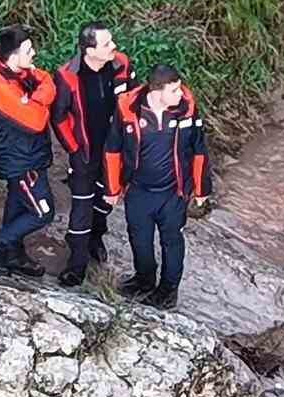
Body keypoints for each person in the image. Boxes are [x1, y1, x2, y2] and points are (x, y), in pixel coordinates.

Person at [103, 63, 211, 309]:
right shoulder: (128, 108)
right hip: (138, 191)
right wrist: (112, 188)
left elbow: (199, 149)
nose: (180, 94)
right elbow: (112, 149)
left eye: (179, 88)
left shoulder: (186, 109)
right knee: (139, 239)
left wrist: (201, 190)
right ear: (156, 90)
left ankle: (168, 290)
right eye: (174, 90)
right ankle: (144, 280)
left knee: (172, 241)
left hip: (173, 192)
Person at [52, 23, 136, 287]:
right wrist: (74, 149)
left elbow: (134, 101)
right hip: (85, 153)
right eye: (107, 44)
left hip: (115, 150)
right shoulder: (67, 76)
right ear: (89, 50)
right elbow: (59, 117)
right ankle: (76, 265)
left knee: (107, 198)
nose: (114, 47)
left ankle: (96, 234)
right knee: (82, 205)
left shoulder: (121, 65)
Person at [0, 26, 56, 279]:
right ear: (12, 56)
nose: (34, 54)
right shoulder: (1, 90)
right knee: (42, 212)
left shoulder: (4, 67)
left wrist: (37, 94)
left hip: (25, 154)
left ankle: (12, 252)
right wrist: (41, 97)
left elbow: (45, 79)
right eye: (28, 51)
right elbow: (37, 120)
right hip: (22, 162)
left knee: (18, 204)